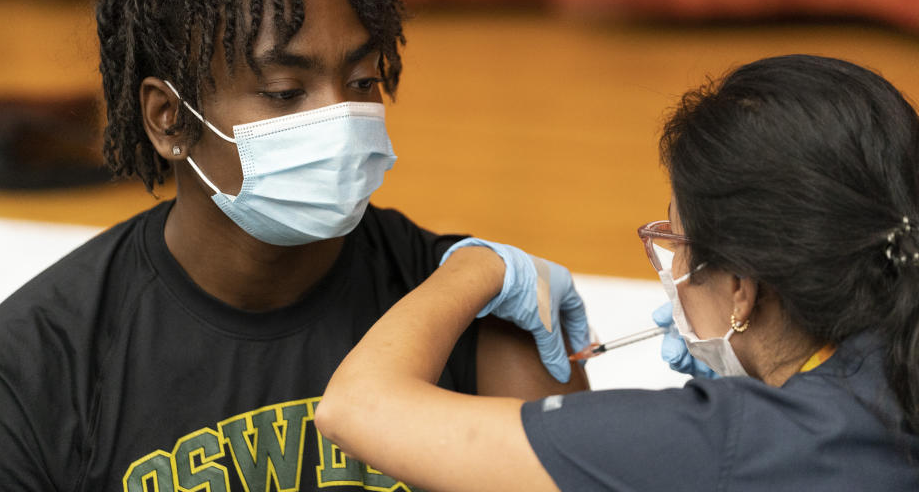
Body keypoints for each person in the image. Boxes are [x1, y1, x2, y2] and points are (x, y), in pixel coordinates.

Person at [0, 0, 590, 491]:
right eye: (286, 93)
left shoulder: (485, 316)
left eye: (364, 80)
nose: (340, 117)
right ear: (168, 119)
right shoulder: (26, 378)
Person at [317, 55, 919, 491]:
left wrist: (476, 265)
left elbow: (355, 409)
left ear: (741, 290)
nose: (672, 264)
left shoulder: (718, 443)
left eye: (675, 239)